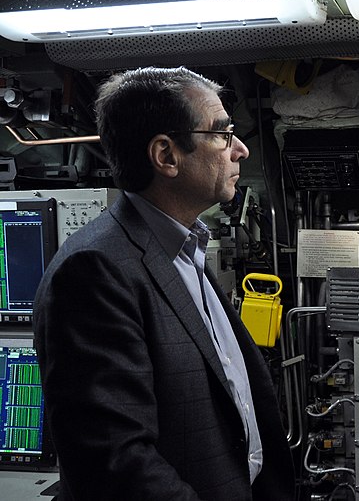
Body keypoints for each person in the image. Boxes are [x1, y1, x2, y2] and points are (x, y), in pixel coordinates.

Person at [33, 66, 295, 501]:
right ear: (167, 156)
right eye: (222, 133)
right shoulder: (95, 271)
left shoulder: (183, 250)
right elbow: (116, 465)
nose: (241, 150)